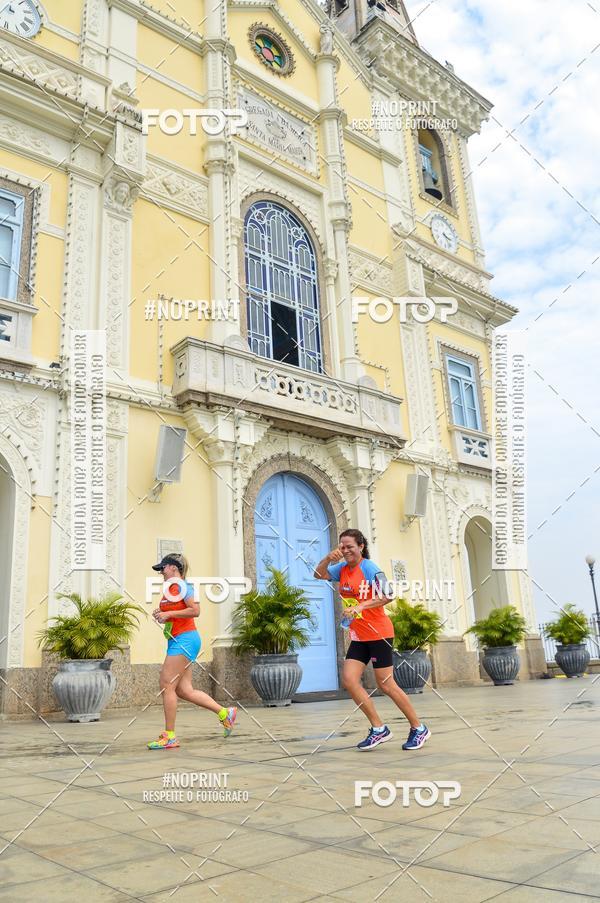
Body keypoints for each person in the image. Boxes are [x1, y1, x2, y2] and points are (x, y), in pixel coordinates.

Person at [314, 529, 430, 751]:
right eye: (342, 546)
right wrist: (327, 559)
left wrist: (360, 606)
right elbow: (318, 575)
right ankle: (379, 729)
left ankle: (419, 727)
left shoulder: (369, 568)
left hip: (379, 633)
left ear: (361, 546)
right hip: (359, 635)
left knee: (386, 684)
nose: (345, 550)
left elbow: (388, 594)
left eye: (350, 546)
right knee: (349, 679)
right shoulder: (341, 569)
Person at [147, 553, 237, 749]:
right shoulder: (172, 589)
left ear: (173, 567)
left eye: (163, 568)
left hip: (185, 640)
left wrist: (168, 613)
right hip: (177, 640)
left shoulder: (184, 586)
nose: (161, 572)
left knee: (166, 684)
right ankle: (224, 713)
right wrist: (162, 615)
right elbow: (177, 613)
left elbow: (195, 610)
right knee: (183, 690)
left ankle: (169, 736)